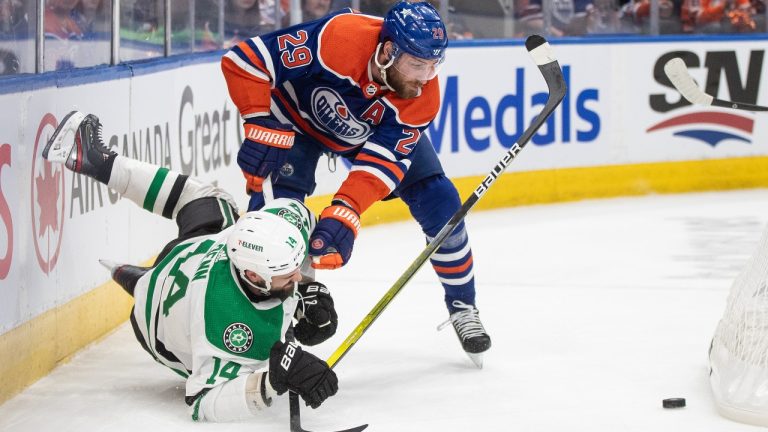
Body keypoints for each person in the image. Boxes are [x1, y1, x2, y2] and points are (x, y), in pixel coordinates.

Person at [220, 0, 491, 366]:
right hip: (294, 125)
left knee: (442, 202)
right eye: (417, 64)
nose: (426, 77)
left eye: (433, 65)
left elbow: (383, 162)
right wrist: (259, 120)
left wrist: (347, 208)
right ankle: (270, 321)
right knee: (275, 225)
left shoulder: (422, 96)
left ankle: (462, 306)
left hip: (367, 134)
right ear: (387, 50)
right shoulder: (340, 38)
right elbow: (246, 59)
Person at [41, 111, 340, 421]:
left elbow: (300, 225)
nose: (297, 274)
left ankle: (96, 160)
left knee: (210, 198)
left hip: (189, 255)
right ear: (253, 275)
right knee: (252, 357)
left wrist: (306, 292)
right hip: (154, 329)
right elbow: (202, 402)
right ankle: (98, 169)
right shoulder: (223, 327)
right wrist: (270, 381)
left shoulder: (277, 227)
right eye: (287, 272)